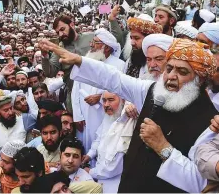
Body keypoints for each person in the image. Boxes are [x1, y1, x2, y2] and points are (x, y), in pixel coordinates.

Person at [40, 38, 218, 192]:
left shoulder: (210, 122)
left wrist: (164, 148)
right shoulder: (152, 91)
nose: (171, 76)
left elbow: (200, 183)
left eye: (182, 72)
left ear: (200, 79)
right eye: (169, 68)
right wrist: (79, 60)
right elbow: (114, 79)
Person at [72, 28, 125, 152]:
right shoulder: (85, 62)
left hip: (106, 112)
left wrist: (100, 97)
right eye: (92, 41)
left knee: (103, 143)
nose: (91, 45)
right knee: (85, 146)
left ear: (106, 47)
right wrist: (77, 116)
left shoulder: (119, 65)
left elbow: (122, 91)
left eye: (95, 42)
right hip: (84, 114)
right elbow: (75, 90)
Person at [39, 15, 94, 112]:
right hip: (74, 97)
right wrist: (44, 55)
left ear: (72, 25)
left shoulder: (91, 37)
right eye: (57, 32)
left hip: (95, 92)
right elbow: (50, 72)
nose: (60, 34)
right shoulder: (59, 48)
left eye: (62, 29)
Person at [83, 90, 127, 192]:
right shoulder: (108, 117)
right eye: (104, 100)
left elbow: (114, 167)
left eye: (111, 100)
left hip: (116, 183)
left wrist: (90, 171)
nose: (106, 105)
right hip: (101, 177)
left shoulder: (126, 125)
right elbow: (99, 138)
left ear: (123, 101)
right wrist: (89, 156)